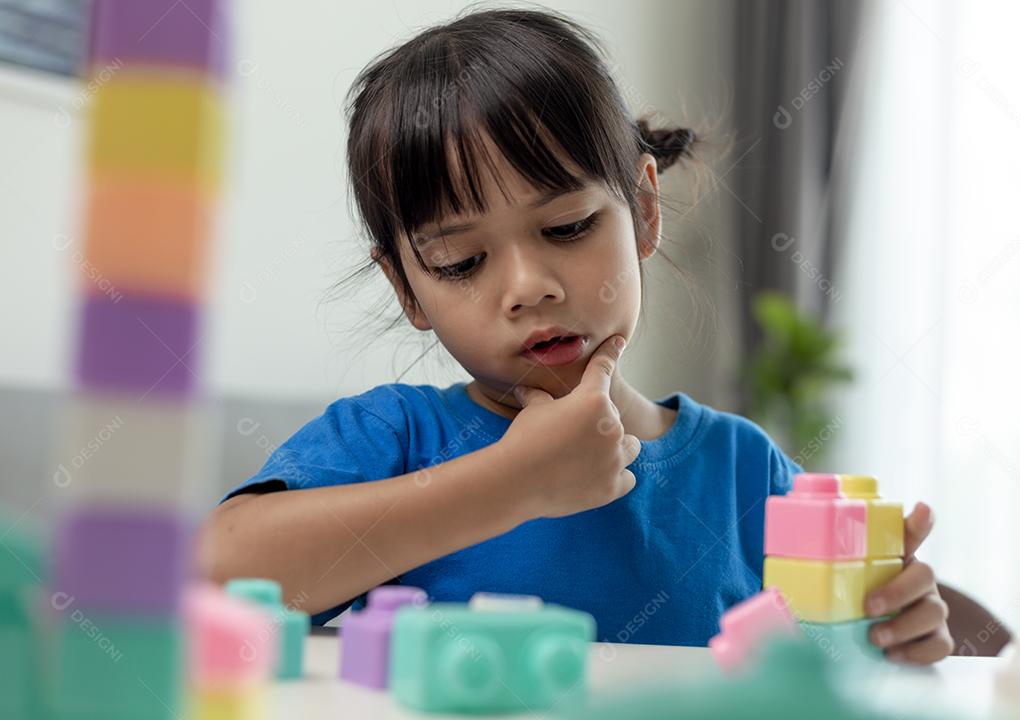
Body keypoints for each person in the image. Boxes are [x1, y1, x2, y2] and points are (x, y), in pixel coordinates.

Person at [197, 6, 952, 662]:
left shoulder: (742, 472)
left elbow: (818, 658)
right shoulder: (395, 437)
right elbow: (216, 575)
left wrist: (885, 629)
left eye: (568, 226)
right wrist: (509, 485)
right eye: (462, 262)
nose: (529, 287)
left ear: (645, 212)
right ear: (407, 288)